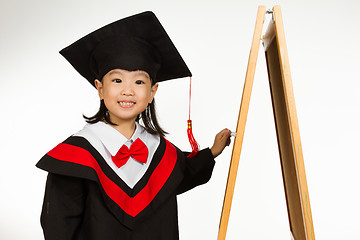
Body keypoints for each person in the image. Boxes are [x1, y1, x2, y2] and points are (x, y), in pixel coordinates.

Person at [36, 11, 231, 240]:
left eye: (139, 81)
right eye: (117, 80)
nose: (128, 90)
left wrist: (213, 152)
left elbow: (182, 175)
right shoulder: (76, 155)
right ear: (100, 88)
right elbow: (59, 226)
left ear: (152, 92)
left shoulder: (160, 151)